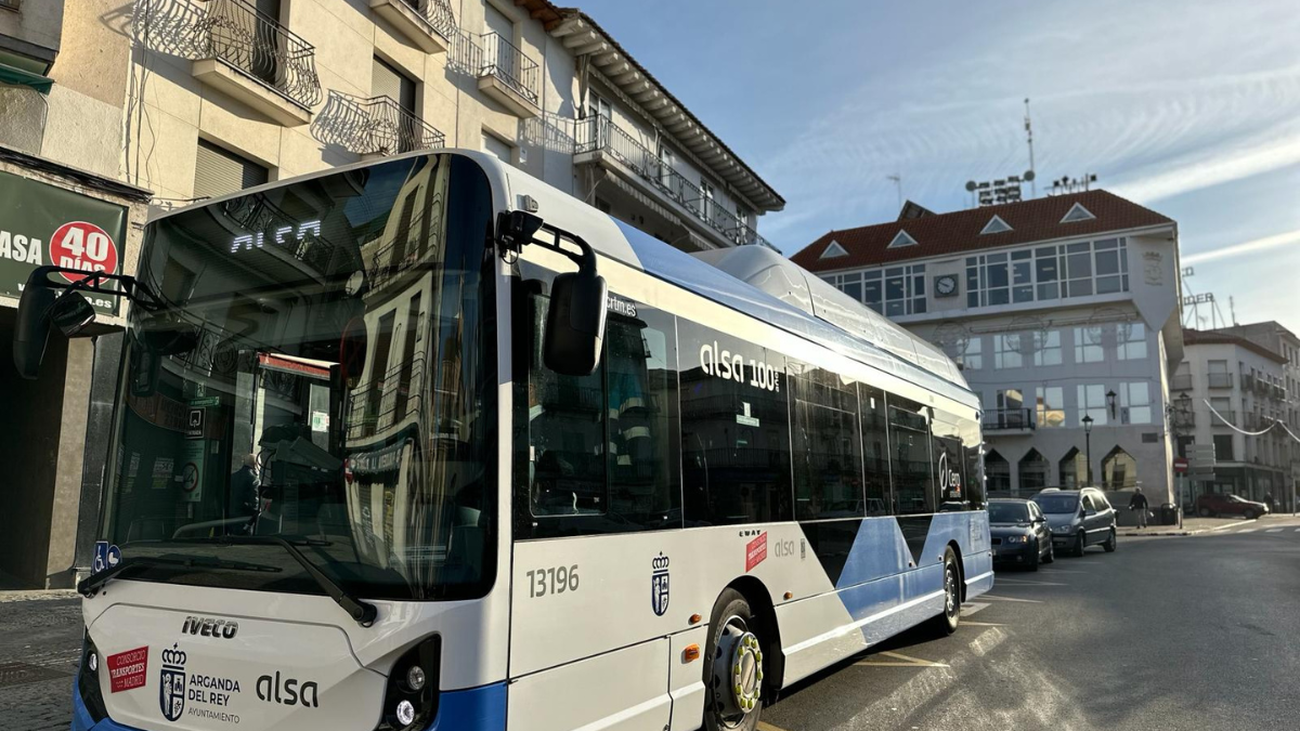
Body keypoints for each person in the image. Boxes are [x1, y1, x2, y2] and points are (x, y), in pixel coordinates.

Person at [228, 454, 261, 522]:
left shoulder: (232, 477)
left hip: (231, 516)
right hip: (245, 518)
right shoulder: (254, 480)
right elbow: (255, 502)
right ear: (256, 464)